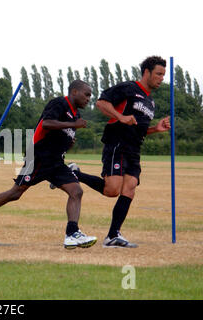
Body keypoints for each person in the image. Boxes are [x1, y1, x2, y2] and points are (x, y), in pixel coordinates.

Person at [0, 80, 97, 249]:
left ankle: (72, 234)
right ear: (75, 92)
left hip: (55, 161)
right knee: (15, 193)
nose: (88, 99)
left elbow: (60, 134)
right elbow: (47, 123)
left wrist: (68, 140)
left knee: (76, 191)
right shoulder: (60, 103)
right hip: (38, 156)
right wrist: (73, 125)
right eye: (87, 94)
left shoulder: (75, 114)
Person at [69, 56, 171, 248]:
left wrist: (155, 129)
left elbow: (139, 128)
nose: (161, 78)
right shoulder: (128, 88)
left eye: (163, 75)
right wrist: (121, 117)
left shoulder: (151, 102)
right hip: (117, 142)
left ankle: (113, 235)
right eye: (158, 74)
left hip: (134, 148)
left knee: (130, 187)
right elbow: (101, 103)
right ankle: (75, 173)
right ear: (146, 72)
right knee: (112, 190)